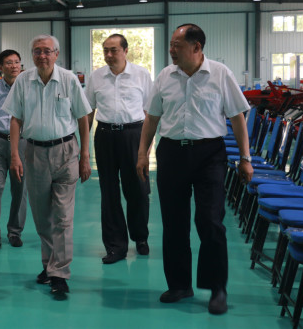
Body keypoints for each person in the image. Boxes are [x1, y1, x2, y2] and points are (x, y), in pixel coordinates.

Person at [136, 24, 254, 315]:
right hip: (171, 153)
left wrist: (245, 158)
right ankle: (180, 285)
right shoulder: (165, 76)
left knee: (210, 220)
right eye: (171, 45)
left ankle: (217, 289)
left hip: (209, 154)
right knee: (174, 223)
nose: (171, 50)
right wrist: (142, 153)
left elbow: (237, 118)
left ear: (197, 47)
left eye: (177, 45)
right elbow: (152, 118)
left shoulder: (220, 74)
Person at [2, 34, 92, 299]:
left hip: (66, 151)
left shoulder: (69, 80)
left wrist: (85, 156)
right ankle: (50, 265)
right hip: (34, 153)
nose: (42, 55)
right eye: (37, 51)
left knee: (63, 217)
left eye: (47, 51)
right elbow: (16, 119)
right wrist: (15, 155)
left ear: (56, 54)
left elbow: (83, 118)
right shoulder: (23, 81)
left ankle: (59, 274)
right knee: (42, 217)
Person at [85, 34, 153, 264]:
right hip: (105, 136)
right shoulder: (96, 77)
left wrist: (146, 148)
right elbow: (88, 112)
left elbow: (150, 112)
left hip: (134, 134)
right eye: (105, 50)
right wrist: (83, 147)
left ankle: (140, 237)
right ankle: (116, 246)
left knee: (139, 189)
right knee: (109, 192)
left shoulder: (141, 75)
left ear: (125, 51)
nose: (108, 55)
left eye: (113, 50)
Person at [0, 49, 28, 250]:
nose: (14, 66)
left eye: (17, 62)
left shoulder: (28, 88)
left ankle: (14, 232)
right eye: (9, 63)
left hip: (22, 143)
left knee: (20, 188)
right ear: (1, 67)